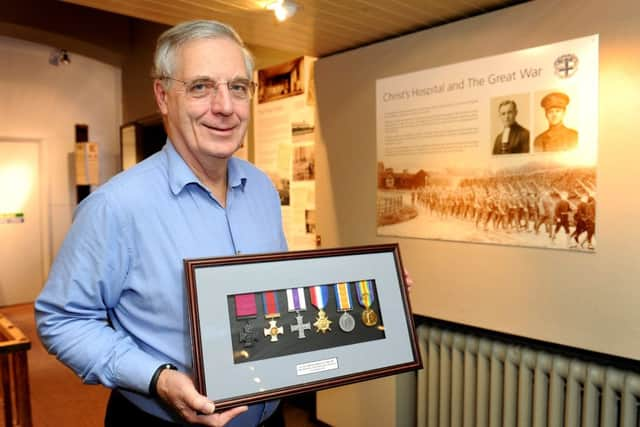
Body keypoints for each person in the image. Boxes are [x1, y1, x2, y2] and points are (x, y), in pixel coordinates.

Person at [35, 20, 287, 426]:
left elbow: (275, 287)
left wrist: (368, 286)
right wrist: (158, 379)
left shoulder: (261, 189)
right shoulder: (116, 206)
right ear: (163, 96)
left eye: (238, 87)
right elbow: (62, 320)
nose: (225, 106)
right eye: (201, 87)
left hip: (269, 416)